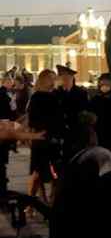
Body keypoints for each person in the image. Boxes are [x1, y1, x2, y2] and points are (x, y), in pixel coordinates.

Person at [27, 69, 62, 205]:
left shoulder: (55, 95)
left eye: (54, 78)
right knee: (38, 172)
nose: (54, 81)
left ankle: (52, 199)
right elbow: (33, 119)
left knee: (55, 172)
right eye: (51, 78)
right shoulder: (36, 97)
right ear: (44, 80)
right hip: (41, 138)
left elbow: (59, 118)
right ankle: (32, 203)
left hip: (53, 139)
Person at [54, 64, 90, 162]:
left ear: (72, 78)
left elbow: (85, 111)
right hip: (61, 131)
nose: (64, 80)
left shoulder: (81, 93)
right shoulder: (55, 93)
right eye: (62, 78)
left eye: (67, 78)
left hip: (76, 131)